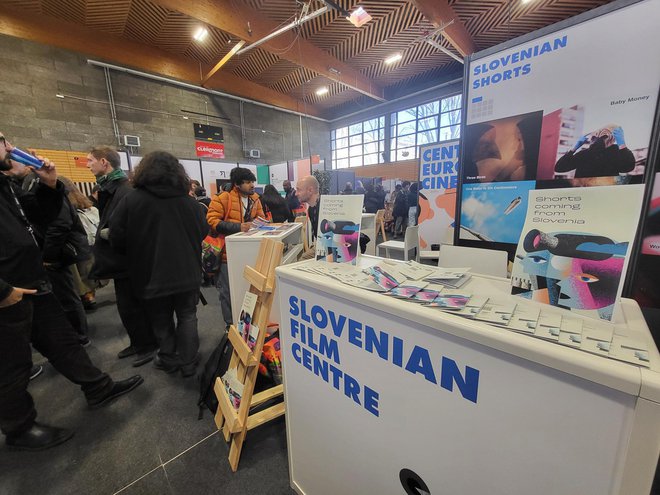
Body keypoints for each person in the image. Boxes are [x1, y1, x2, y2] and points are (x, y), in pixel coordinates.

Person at [0, 132, 143, 451]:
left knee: (62, 341)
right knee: (12, 364)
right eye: (2, 141)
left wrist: (50, 184)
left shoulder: (6, 186)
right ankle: (18, 428)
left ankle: (98, 387)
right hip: (8, 291)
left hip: (32, 280)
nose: (10, 146)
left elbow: (40, 219)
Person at [111, 152, 207, 377]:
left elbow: (116, 237)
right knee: (187, 315)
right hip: (187, 271)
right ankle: (189, 361)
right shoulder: (189, 203)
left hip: (149, 273)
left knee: (160, 318)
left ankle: (167, 357)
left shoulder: (131, 200)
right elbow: (202, 232)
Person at [87, 146, 157, 366]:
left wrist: (112, 233)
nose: (88, 165)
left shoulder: (125, 190)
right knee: (127, 306)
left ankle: (147, 344)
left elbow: (134, 226)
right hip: (120, 260)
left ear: (104, 162)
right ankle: (139, 342)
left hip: (130, 260)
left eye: (91, 161)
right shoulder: (111, 189)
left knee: (136, 305)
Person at [207, 167, 265, 328]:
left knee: (247, 289)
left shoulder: (255, 199)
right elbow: (212, 221)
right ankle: (230, 326)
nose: (252, 185)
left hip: (249, 251)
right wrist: (239, 227)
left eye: (252, 181)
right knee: (227, 292)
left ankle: (247, 325)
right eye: (247, 182)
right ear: (237, 184)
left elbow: (262, 217)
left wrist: (262, 224)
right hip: (226, 254)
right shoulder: (222, 198)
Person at [555, 125, 635, 178]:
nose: (594, 139)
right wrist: (573, 148)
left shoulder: (615, 152)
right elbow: (559, 167)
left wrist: (622, 145)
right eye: (593, 137)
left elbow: (627, 167)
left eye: (603, 136)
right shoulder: (584, 154)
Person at [295, 175, 321, 254]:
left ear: (310, 190)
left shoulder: (326, 208)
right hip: (320, 248)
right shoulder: (311, 209)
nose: (296, 194)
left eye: (298, 190)